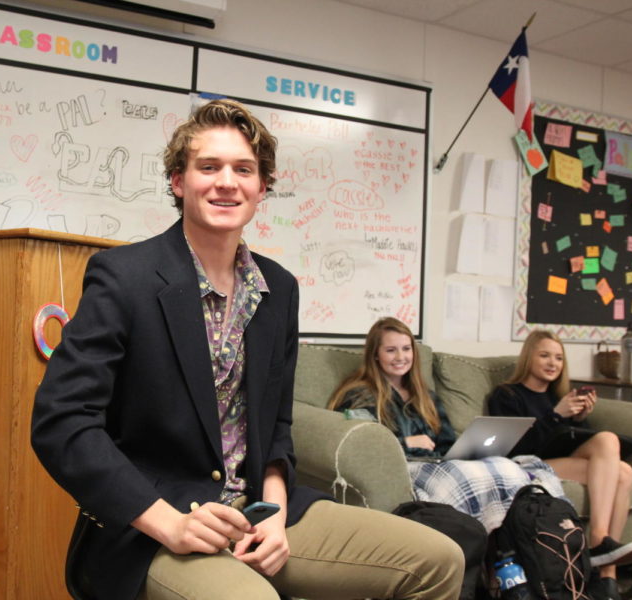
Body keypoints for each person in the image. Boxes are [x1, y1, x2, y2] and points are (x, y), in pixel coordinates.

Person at [31, 99, 463, 600]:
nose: (226, 182)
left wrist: (275, 513)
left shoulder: (278, 289)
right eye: (208, 167)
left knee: (438, 561)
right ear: (178, 181)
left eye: (244, 169)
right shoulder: (123, 277)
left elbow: (276, 428)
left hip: (259, 512)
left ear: (262, 188)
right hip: (156, 525)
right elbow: (61, 422)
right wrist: (169, 523)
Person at [327, 317, 565, 533]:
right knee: (471, 477)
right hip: (406, 467)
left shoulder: (425, 396)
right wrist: (405, 441)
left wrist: (466, 451)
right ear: (375, 355)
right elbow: (360, 444)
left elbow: (448, 442)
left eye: (406, 349)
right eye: (391, 350)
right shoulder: (360, 394)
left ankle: (511, 548)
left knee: (505, 467)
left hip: (440, 463)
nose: (401, 357)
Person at [487, 329, 632, 599]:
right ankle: (598, 542)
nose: (553, 363)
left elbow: (572, 442)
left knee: (624, 471)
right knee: (611, 453)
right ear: (528, 358)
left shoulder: (559, 396)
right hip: (527, 464)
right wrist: (556, 415)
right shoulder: (507, 395)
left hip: (561, 460)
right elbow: (518, 448)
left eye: (559, 358)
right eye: (545, 356)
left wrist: (580, 418)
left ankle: (608, 577)